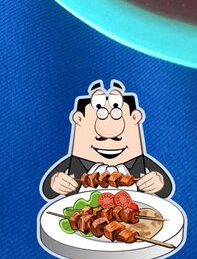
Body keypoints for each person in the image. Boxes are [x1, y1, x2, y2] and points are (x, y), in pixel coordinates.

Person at [40, 80, 174, 199]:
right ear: (79, 119)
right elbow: (48, 191)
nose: (109, 133)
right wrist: (55, 183)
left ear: (135, 118)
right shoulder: (74, 163)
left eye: (117, 138)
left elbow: (165, 189)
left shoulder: (141, 162)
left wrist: (159, 182)